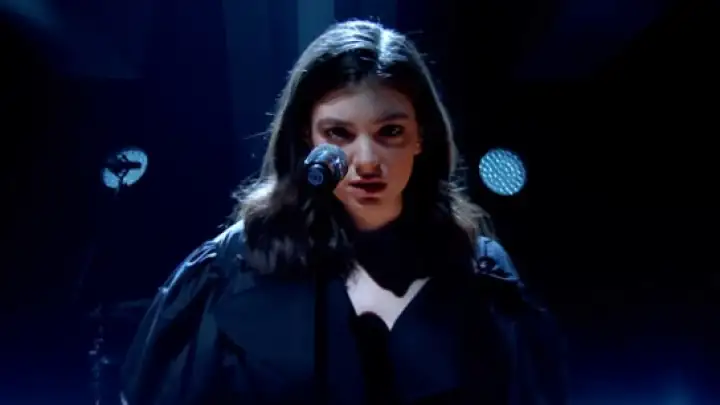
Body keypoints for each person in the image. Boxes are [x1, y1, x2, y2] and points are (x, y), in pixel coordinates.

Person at [121, 19, 566, 405]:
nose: (366, 161)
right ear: (308, 138)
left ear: (421, 136)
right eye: (338, 133)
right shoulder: (233, 267)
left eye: (390, 131)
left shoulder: (481, 272)